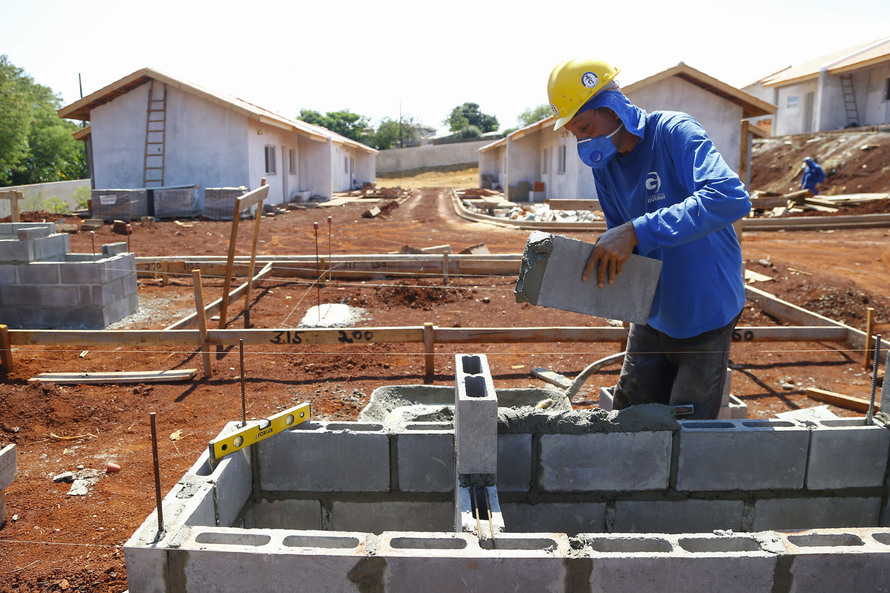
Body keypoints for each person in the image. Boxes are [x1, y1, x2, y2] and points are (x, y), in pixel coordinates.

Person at [547, 58, 751, 420]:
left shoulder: (673, 132)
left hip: (706, 309)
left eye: (583, 125)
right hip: (653, 312)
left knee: (685, 428)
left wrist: (637, 230)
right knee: (629, 416)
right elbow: (623, 246)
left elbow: (729, 197)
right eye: (573, 132)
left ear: (612, 108)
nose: (581, 138)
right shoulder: (606, 168)